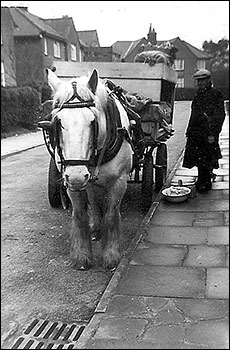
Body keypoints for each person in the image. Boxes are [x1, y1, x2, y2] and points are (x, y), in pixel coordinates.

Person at [182, 68, 226, 193]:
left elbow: (219, 116)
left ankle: (204, 185)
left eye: (202, 80)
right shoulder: (198, 96)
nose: (200, 83)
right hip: (196, 133)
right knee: (199, 159)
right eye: (198, 81)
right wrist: (189, 130)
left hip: (208, 134)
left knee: (205, 159)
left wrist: (213, 133)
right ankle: (203, 179)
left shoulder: (216, 95)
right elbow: (194, 115)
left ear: (208, 81)